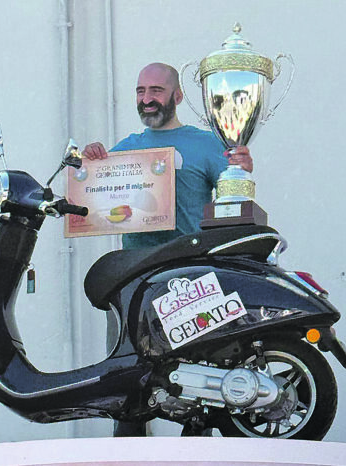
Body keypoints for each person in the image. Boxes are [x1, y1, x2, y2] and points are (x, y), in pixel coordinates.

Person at [82, 63, 253, 436]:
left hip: (188, 276)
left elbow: (234, 197)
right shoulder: (124, 150)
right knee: (127, 381)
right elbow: (92, 198)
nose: (147, 99)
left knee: (196, 379)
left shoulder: (206, 143)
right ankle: (128, 458)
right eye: (141, 91)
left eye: (156, 91)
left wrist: (241, 170)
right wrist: (90, 164)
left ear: (177, 96)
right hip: (132, 277)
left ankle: (197, 455)